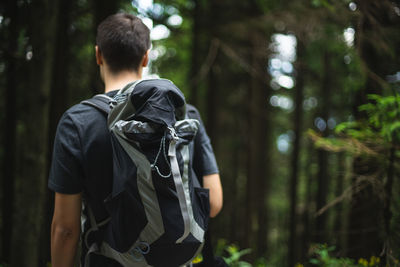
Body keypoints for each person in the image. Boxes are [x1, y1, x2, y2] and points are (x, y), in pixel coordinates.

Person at [48, 13, 223, 267]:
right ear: (145, 57)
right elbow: (214, 203)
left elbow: (65, 229)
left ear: (98, 55)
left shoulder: (77, 121)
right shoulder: (184, 114)